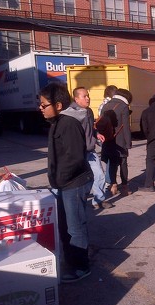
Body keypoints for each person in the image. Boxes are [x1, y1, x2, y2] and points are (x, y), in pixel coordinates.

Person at [39, 82, 94, 283]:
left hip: (74, 183)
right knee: (64, 226)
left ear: (58, 105)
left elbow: (75, 158)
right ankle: (70, 261)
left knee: (75, 227)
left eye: (44, 105)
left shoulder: (68, 124)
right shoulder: (56, 124)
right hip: (63, 184)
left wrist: (59, 179)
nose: (41, 108)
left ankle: (81, 266)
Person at [71, 87, 112, 209]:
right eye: (85, 96)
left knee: (99, 175)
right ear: (76, 98)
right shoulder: (71, 114)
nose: (88, 98)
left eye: (88, 95)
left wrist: (96, 134)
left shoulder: (88, 111)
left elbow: (91, 128)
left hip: (90, 151)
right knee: (77, 180)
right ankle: (74, 203)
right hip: (77, 153)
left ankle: (98, 200)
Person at [100, 88, 133, 196]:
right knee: (123, 164)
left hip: (108, 139)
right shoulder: (123, 107)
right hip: (120, 140)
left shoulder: (106, 105)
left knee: (112, 163)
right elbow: (126, 127)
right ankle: (124, 187)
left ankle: (113, 185)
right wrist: (128, 143)